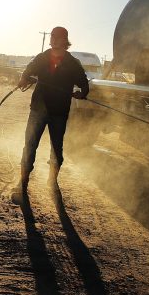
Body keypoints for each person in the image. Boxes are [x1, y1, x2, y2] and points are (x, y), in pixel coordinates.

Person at [13, 26, 88, 200]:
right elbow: (28, 71)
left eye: (57, 36)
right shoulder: (42, 57)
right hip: (38, 109)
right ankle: (22, 182)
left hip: (59, 113)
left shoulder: (73, 63)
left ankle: (52, 180)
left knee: (56, 149)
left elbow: (84, 84)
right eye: (52, 36)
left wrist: (81, 93)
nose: (53, 39)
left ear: (65, 40)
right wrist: (24, 78)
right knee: (30, 145)